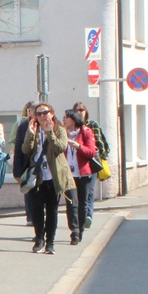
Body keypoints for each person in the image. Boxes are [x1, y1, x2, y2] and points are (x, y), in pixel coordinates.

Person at [22, 103, 71, 254]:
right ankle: (39, 239)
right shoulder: (34, 130)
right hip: (37, 177)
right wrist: (30, 134)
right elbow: (25, 149)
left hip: (53, 177)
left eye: (45, 112)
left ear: (52, 113)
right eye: (39, 113)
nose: (42, 116)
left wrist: (50, 133)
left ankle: (50, 242)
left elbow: (61, 147)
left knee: (52, 211)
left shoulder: (59, 129)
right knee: (37, 210)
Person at [61, 110, 98, 246]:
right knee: (71, 203)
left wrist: (79, 147)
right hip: (68, 175)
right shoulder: (62, 133)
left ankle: (80, 228)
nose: (64, 120)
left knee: (82, 204)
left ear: (73, 119)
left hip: (83, 174)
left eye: (66, 118)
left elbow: (91, 152)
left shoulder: (86, 132)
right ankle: (74, 231)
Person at [72, 102, 107, 227]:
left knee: (89, 190)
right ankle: (80, 215)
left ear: (86, 112)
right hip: (76, 165)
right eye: (77, 110)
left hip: (91, 162)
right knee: (77, 193)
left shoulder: (92, 125)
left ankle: (88, 215)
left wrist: (101, 154)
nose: (79, 112)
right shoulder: (71, 128)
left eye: (82, 110)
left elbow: (100, 142)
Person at [12, 101, 39, 233]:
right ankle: (33, 220)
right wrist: (17, 172)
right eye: (33, 112)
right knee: (30, 194)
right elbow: (18, 148)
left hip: (44, 168)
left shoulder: (49, 125)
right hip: (28, 167)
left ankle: (42, 230)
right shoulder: (23, 126)